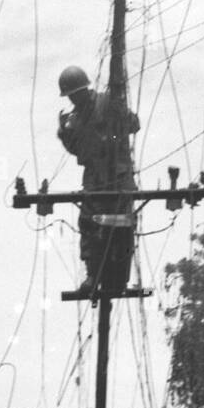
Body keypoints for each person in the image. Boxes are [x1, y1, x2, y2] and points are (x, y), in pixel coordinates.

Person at [56, 64, 139, 295]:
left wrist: (117, 121)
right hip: (94, 177)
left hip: (119, 175)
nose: (73, 99)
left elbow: (134, 124)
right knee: (89, 223)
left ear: (85, 89)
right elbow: (78, 150)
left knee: (122, 224)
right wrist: (65, 133)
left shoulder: (108, 102)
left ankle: (118, 277)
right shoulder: (74, 118)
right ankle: (93, 275)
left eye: (76, 93)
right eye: (70, 96)